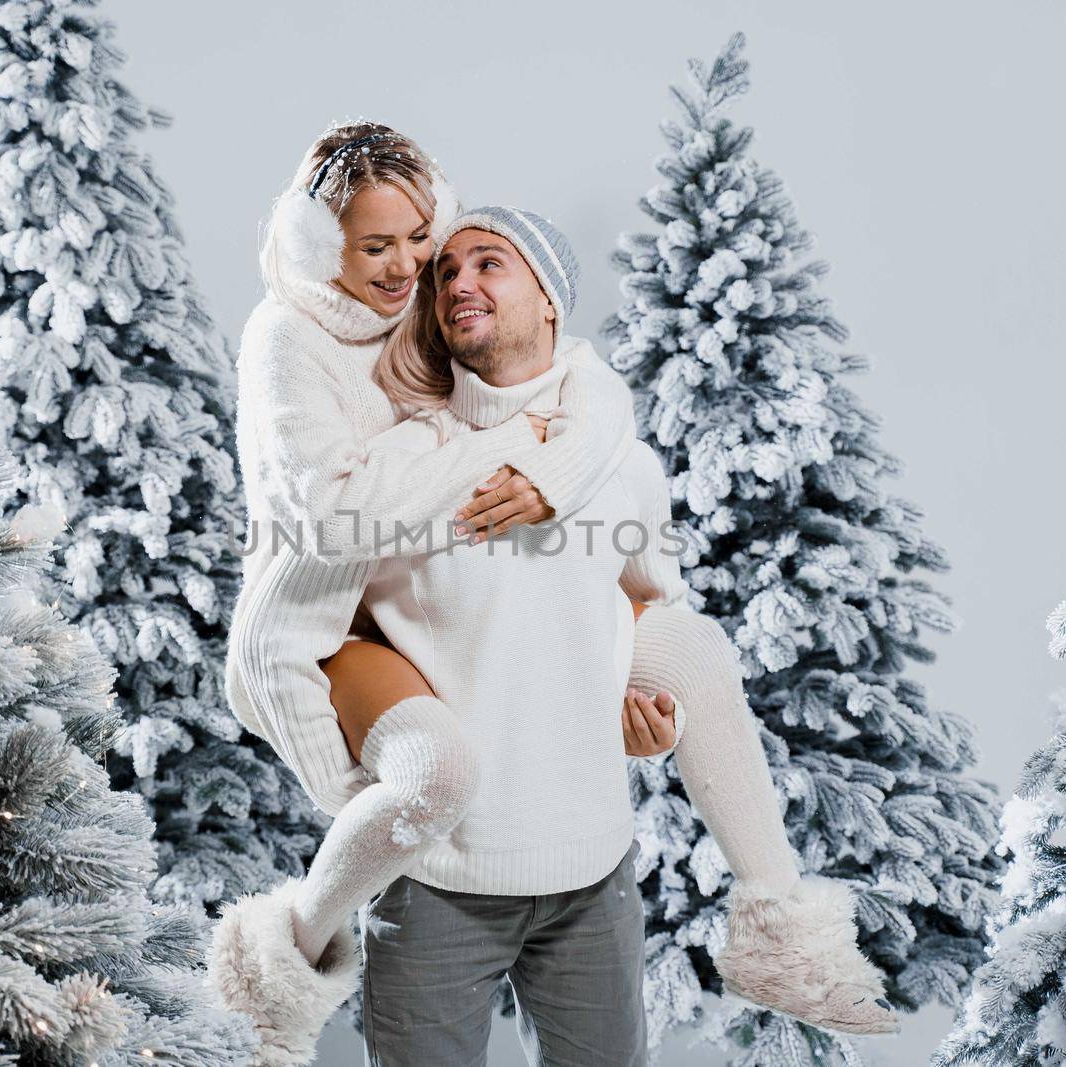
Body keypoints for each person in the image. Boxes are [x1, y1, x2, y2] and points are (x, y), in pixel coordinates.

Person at [208, 123, 895, 1065]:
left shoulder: (613, 455)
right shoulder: (403, 459)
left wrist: (618, 696)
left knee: (694, 646)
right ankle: (284, 952)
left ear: (552, 302)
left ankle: (782, 930)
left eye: (482, 261)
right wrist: (484, 446)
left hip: (591, 872)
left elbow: (640, 607)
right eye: (440, 270)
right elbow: (336, 604)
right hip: (443, 876)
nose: (442, 279)